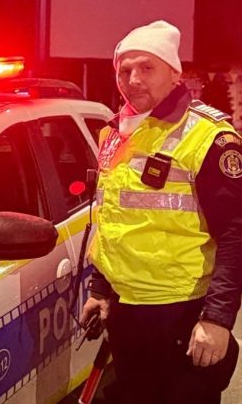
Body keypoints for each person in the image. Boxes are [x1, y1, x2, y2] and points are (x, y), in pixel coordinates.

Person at [80, 20, 242, 404]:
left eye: (147, 67)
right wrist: (101, 289)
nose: (133, 80)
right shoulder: (114, 133)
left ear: (174, 73)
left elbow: (236, 233)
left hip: (182, 309)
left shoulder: (209, 137)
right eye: (124, 70)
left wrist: (217, 319)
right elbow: (114, 219)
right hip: (127, 310)